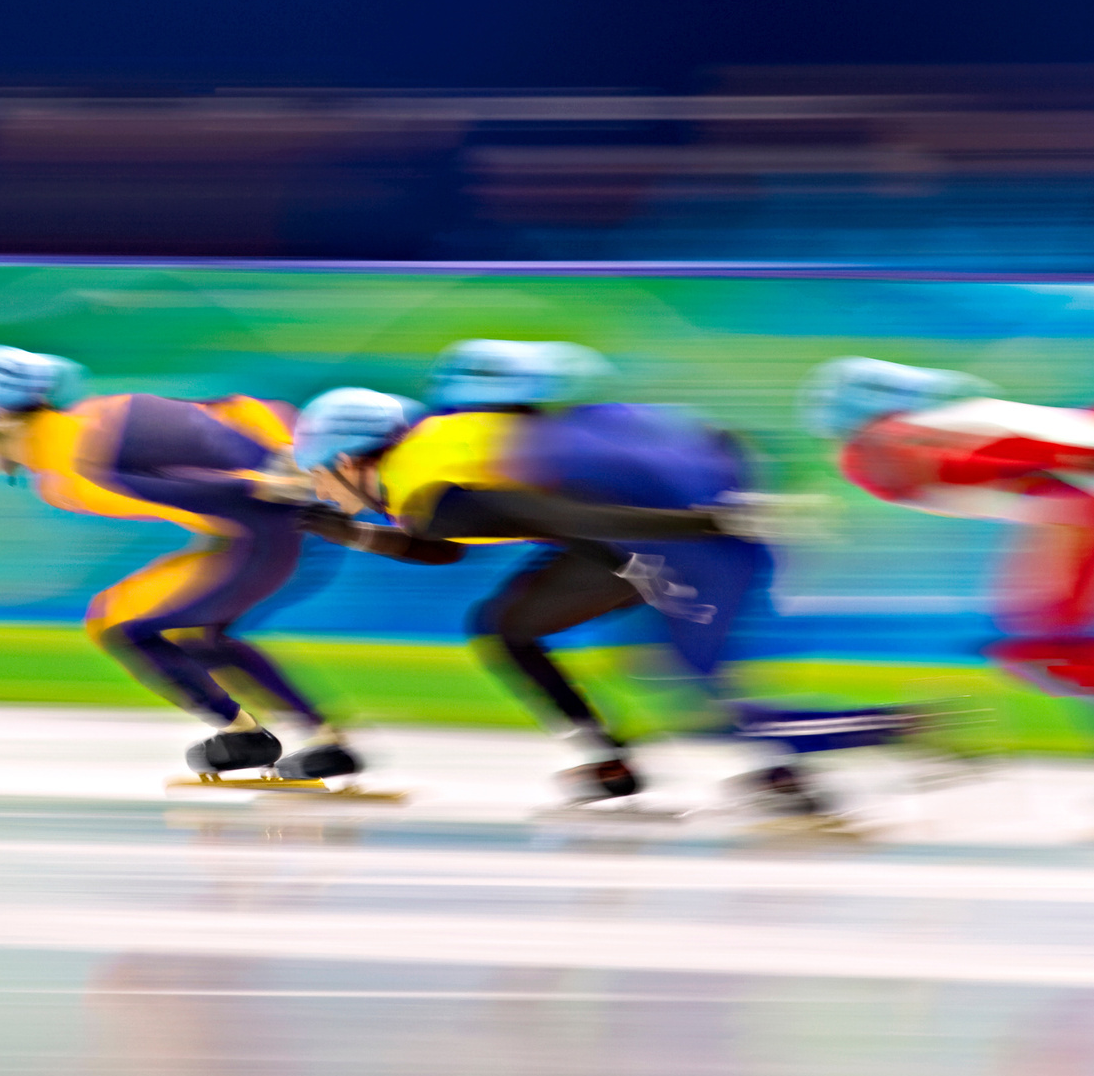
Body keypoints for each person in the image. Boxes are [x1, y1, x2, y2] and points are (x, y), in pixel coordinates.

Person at [298, 341, 911, 815]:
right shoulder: (430, 451)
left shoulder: (428, 492)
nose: (321, 487)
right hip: (653, 505)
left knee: (686, 680)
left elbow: (557, 514)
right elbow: (450, 544)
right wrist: (347, 530)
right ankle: (619, 763)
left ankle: (885, 737)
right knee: (510, 628)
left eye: (321, 473)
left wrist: (705, 522)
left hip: (663, 523)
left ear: (352, 458)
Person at [0, 344, 365, 783]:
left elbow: (199, 490)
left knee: (129, 624)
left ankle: (287, 738)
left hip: (267, 524)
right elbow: (233, 412)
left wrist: (271, 481)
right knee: (164, 625)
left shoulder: (66, 466)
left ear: (0, 417)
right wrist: (288, 452)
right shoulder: (93, 417)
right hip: (265, 519)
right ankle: (288, 736)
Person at [807, 356, 1094, 714]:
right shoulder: (900, 446)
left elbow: (1072, 470)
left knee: (1049, 650)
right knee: (1048, 650)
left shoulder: (891, 451)